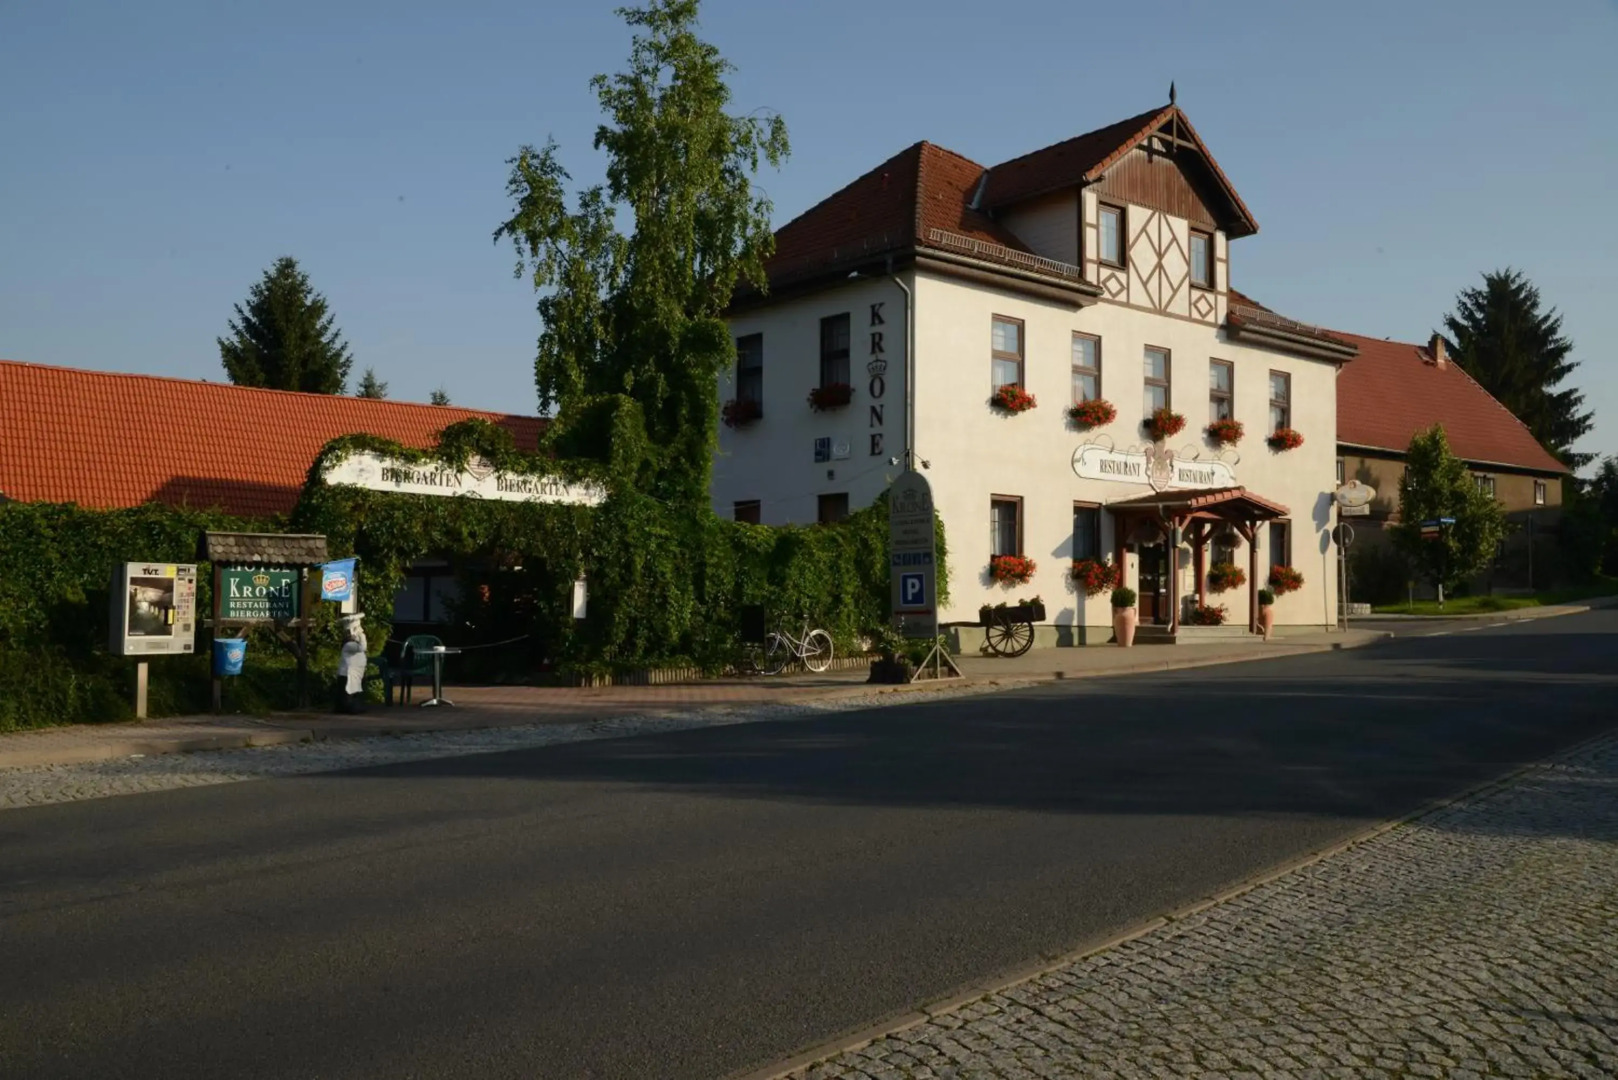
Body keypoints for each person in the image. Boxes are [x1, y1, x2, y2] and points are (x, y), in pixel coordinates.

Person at [336, 613, 368, 714]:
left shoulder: (353, 644)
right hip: (347, 674)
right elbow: (363, 647)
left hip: (355, 673)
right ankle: (347, 708)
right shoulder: (349, 645)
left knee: (354, 692)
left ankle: (352, 706)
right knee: (347, 693)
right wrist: (362, 635)